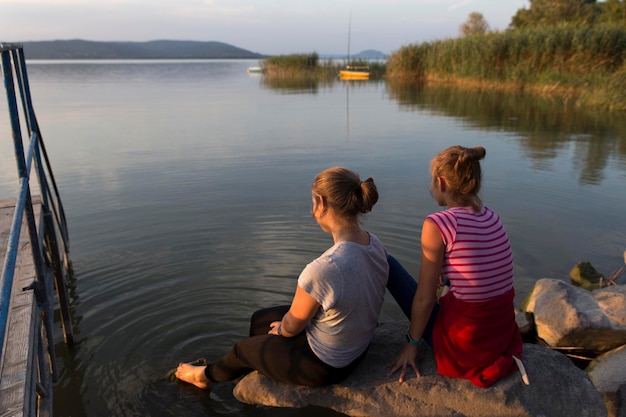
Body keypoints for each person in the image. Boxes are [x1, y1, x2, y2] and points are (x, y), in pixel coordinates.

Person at [176, 166, 389, 389]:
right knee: (260, 319)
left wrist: (282, 330)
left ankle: (202, 376)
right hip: (356, 346)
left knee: (243, 349)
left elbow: (291, 327)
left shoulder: (324, 269)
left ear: (321, 204)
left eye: (313, 202)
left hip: (328, 365)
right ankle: (264, 365)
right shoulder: (374, 243)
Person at [386, 145, 523, 388]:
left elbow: (425, 299)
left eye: (431, 181)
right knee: (448, 281)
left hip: (466, 347)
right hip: (499, 338)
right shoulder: (492, 216)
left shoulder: (438, 224)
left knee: (387, 263)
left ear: (441, 183)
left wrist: (411, 344)